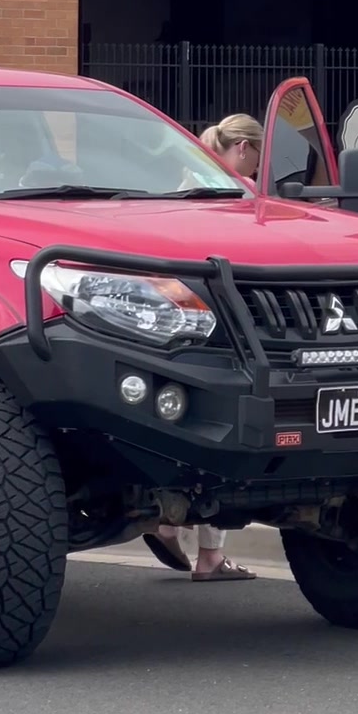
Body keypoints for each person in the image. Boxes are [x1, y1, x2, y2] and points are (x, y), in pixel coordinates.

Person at [148, 112, 264, 581]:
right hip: (230, 326)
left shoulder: (173, 186)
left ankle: (166, 523)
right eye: (257, 156)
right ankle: (210, 556)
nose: (258, 167)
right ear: (243, 149)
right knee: (227, 442)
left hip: (177, 322)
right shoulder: (237, 193)